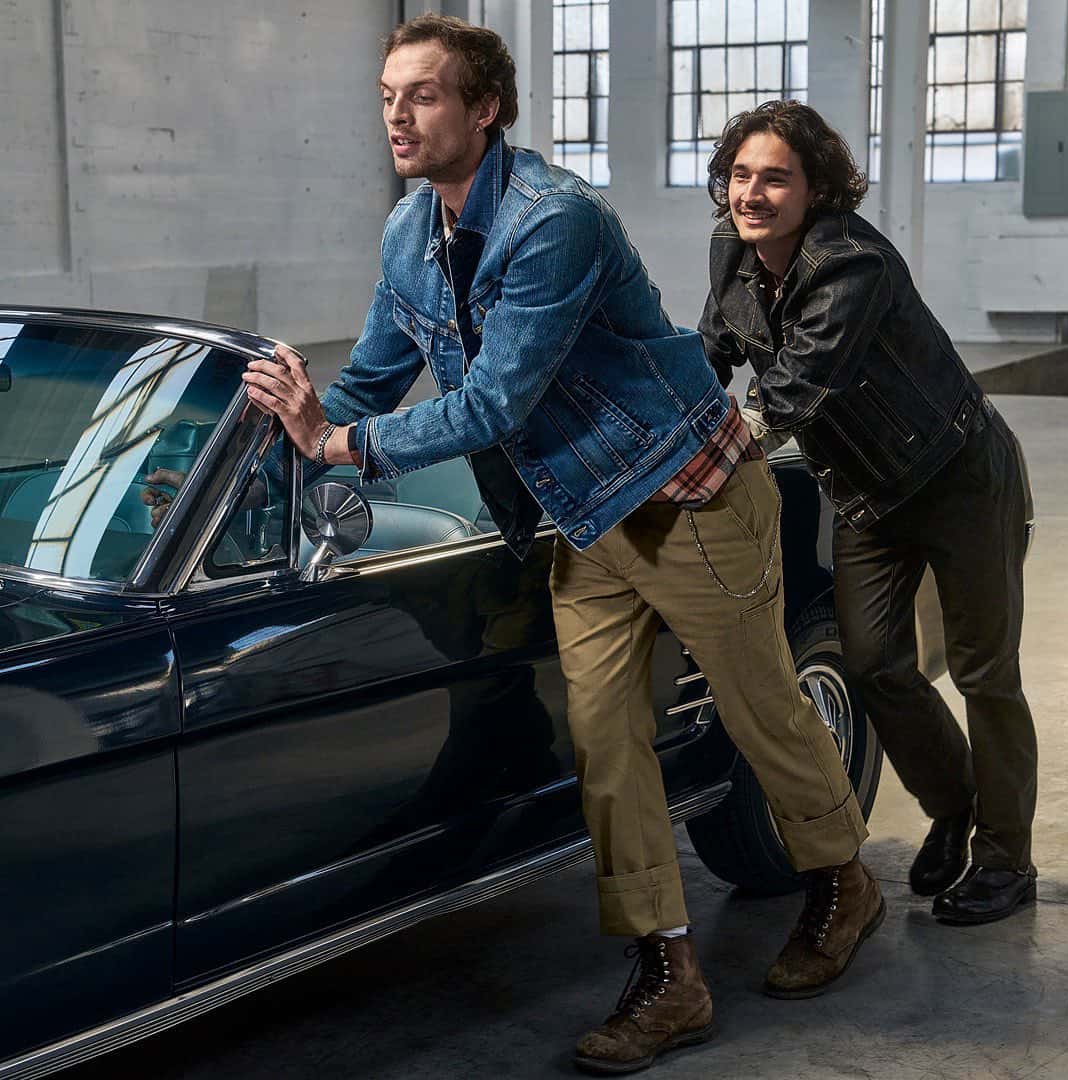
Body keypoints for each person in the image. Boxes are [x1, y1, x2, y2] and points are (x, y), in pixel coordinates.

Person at [242, 18, 882, 1073]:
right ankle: (667, 971)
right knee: (604, 737)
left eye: (426, 95)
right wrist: (270, 451)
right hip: (586, 518)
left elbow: (495, 400)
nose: (398, 115)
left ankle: (843, 878)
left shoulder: (556, 220)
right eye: (388, 95)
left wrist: (345, 443)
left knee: (762, 708)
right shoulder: (412, 232)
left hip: (690, 496)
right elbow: (367, 373)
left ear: (485, 108)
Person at [698, 100, 1037, 927]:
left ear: (816, 190)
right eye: (741, 175)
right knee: (876, 664)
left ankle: (1005, 857)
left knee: (985, 673)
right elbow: (709, 355)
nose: (752, 194)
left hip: (959, 479)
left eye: (776, 177)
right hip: (867, 492)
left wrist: (703, 452)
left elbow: (791, 390)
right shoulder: (733, 257)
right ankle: (953, 805)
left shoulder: (853, 264)